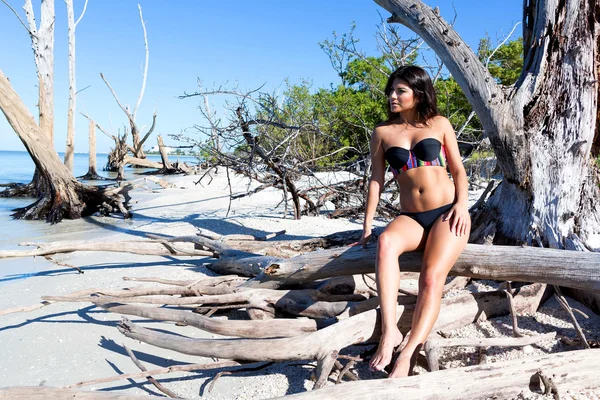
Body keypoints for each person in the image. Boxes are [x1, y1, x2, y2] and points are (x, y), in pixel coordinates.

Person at [358, 65, 470, 378]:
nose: (392, 96)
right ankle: (390, 331)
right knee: (386, 242)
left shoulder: (439, 123)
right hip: (411, 216)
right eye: (391, 91)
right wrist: (367, 224)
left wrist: (462, 205)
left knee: (431, 279)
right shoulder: (383, 132)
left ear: (417, 93)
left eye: (400, 91)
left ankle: (409, 352)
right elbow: (377, 180)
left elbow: (458, 170)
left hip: (447, 212)